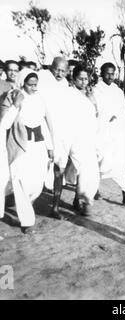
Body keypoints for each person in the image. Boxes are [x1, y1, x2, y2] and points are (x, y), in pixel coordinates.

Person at [0, 71, 54, 234]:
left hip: (38, 145)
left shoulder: (39, 98)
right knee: (20, 181)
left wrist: (50, 147)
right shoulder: (13, 95)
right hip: (19, 145)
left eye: (35, 84)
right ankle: (27, 221)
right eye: (30, 84)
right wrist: (16, 105)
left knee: (36, 184)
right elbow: (5, 124)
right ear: (23, 82)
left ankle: (25, 206)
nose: (33, 87)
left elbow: (43, 124)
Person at [37, 56, 76, 219]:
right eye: (56, 70)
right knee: (39, 169)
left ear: (67, 71)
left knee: (59, 169)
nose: (59, 73)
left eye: (62, 70)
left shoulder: (67, 86)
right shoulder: (43, 83)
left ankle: (55, 207)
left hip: (63, 134)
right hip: (45, 132)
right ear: (51, 68)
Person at [94, 62, 125, 204]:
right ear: (101, 73)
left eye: (113, 73)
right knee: (100, 161)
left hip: (117, 132)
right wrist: (107, 117)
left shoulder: (118, 91)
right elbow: (97, 110)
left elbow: (122, 111)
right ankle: (94, 189)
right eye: (107, 73)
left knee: (120, 163)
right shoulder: (96, 90)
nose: (110, 76)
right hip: (102, 131)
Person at [66, 65, 100, 214]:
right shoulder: (69, 94)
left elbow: (96, 115)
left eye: (86, 79)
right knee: (78, 168)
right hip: (74, 137)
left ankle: (85, 201)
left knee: (88, 170)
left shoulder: (90, 95)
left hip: (89, 137)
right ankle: (81, 199)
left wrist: (92, 101)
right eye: (80, 78)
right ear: (74, 79)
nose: (84, 82)